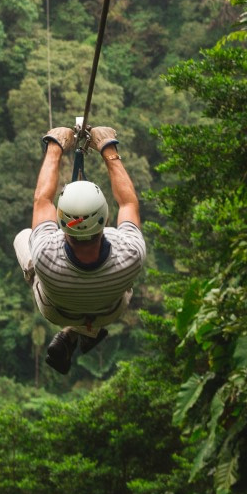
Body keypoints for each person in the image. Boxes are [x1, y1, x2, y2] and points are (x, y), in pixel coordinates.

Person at [14, 124, 146, 374]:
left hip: (57, 311)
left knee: (24, 237)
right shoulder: (130, 252)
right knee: (118, 272)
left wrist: (55, 147)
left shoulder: (45, 253)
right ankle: (87, 329)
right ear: (106, 219)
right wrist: (108, 149)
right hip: (109, 310)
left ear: (62, 223)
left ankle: (76, 328)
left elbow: (42, 200)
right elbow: (128, 202)